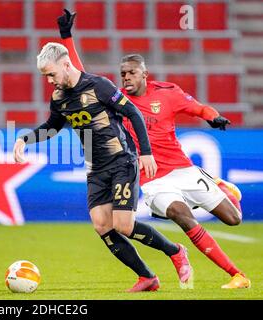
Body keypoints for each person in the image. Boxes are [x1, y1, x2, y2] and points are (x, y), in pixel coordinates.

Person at [56, 9, 250, 289]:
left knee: (234, 219)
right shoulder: (116, 99)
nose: (126, 78)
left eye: (132, 73)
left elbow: (198, 108)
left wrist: (212, 116)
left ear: (145, 74)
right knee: (181, 215)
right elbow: (79, 73)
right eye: (122, 74)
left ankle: (222, 186)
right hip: (153, 178)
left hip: (183, 168)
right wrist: (66, 37)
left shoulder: (167, 93)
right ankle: (237, 275)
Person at [13, 42, 192, 292]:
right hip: (96, 168)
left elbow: (134, 114)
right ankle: (147, 277)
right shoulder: (59, 98)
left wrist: (146, 153)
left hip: (122, 161)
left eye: (51, 74)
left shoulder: (99, 86)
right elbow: (52, 127)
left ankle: (176, 251)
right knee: (101, 224)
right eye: (46, 76)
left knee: (123, 225)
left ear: (66, 65)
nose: (50, 81)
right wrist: (24, 139)